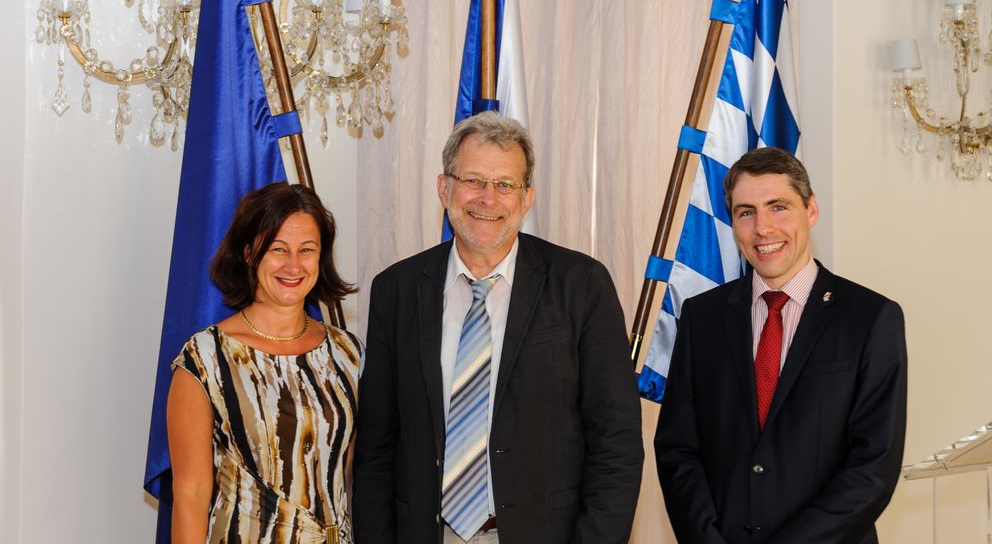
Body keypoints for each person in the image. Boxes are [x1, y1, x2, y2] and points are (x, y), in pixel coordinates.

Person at [353, 112, 643, 544]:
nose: (488, 199)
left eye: (505, 185)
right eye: (473, 180)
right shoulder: (397, 290)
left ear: (526, 198)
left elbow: (616, 439)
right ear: (444, 188)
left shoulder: (581, 285)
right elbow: (376, 444)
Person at [655, 147, 908, 544]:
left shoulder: (871, 319)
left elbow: (873, 466)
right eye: (746, 212)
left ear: (811, 211)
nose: (763, 229)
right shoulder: (701, 318)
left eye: (778, 207)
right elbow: (678, 450)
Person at [167, 182, 361, 543]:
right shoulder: (205, 359)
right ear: (248, 253)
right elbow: (190, 495)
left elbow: (354, 480)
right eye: (278, 249)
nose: (293, 265)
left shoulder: (348, 354)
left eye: (307, 250)